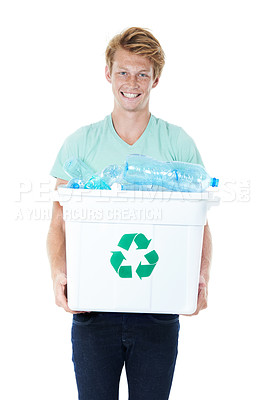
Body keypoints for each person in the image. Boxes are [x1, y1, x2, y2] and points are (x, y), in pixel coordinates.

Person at [47, 27, 212, 400]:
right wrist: (58, 270)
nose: (131, 82)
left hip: (158, 309)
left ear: (156, 78)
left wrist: (201, 273)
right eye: (123, 71)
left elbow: (199, 220)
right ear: (108, 74)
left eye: (142, 73)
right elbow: (59, 218)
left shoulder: (177, 143)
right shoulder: (80, 144)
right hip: (93, 312)